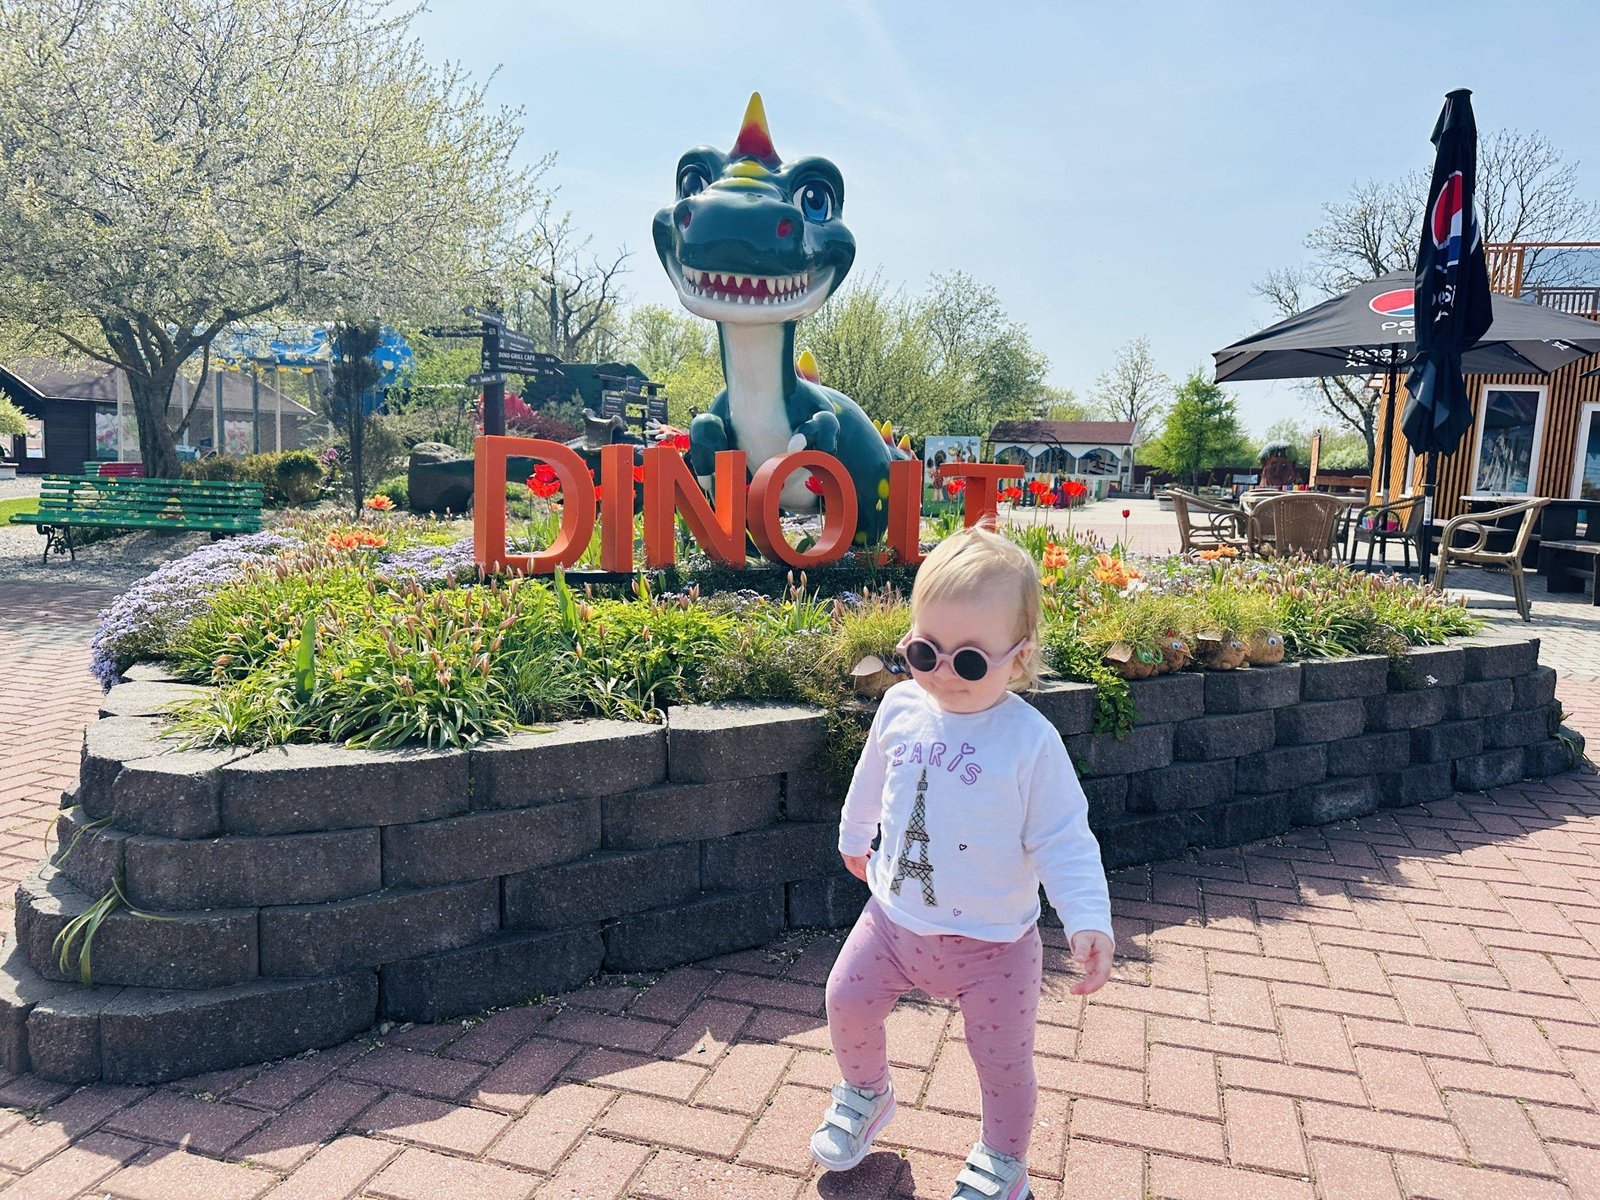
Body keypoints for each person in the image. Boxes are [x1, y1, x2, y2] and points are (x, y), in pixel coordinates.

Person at [811, 525, 1115, 1199]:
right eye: (925, 650)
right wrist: (855, 833)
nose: (943, 672)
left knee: (1002, 1064)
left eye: (970, 661)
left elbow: (1064, 837)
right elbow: (872, 776)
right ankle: (867, 1093)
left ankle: (1003, 1162)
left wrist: (1087, 917)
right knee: (846, 1000)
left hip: (994, 946)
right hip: (893, 920)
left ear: (1020, 657)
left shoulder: (1028, 742)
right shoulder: (900, 705)